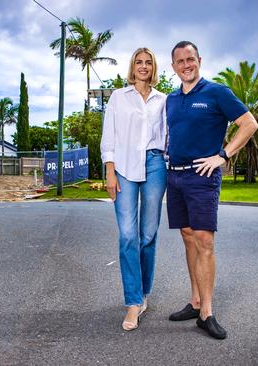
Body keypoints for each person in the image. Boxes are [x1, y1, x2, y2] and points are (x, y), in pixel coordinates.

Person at [165, 41, 258, 339]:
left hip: (202, 177)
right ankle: (194, 302)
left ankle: (206, 313)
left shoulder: (216, 92)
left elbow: (249, 124)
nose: (186, 65)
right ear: (174, 66)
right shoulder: (171, 99)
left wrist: (224, 155)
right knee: (187, 237)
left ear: (199, 60)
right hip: (175, 177)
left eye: (190, 59)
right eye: (180, 61)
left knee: (204, 241)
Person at [100, 47, 167, 331]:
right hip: (124, 167)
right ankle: (132, 303)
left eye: (148, 62)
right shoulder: (118, 96)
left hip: (154, 165)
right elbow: (109, 136)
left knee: (148, 235)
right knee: (128, 235)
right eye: (138, 62)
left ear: (154, 68)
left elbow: (169, 136)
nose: (143, 66)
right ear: (132, 66)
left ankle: (143, 293)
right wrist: (110, 171)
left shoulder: (163, 100)